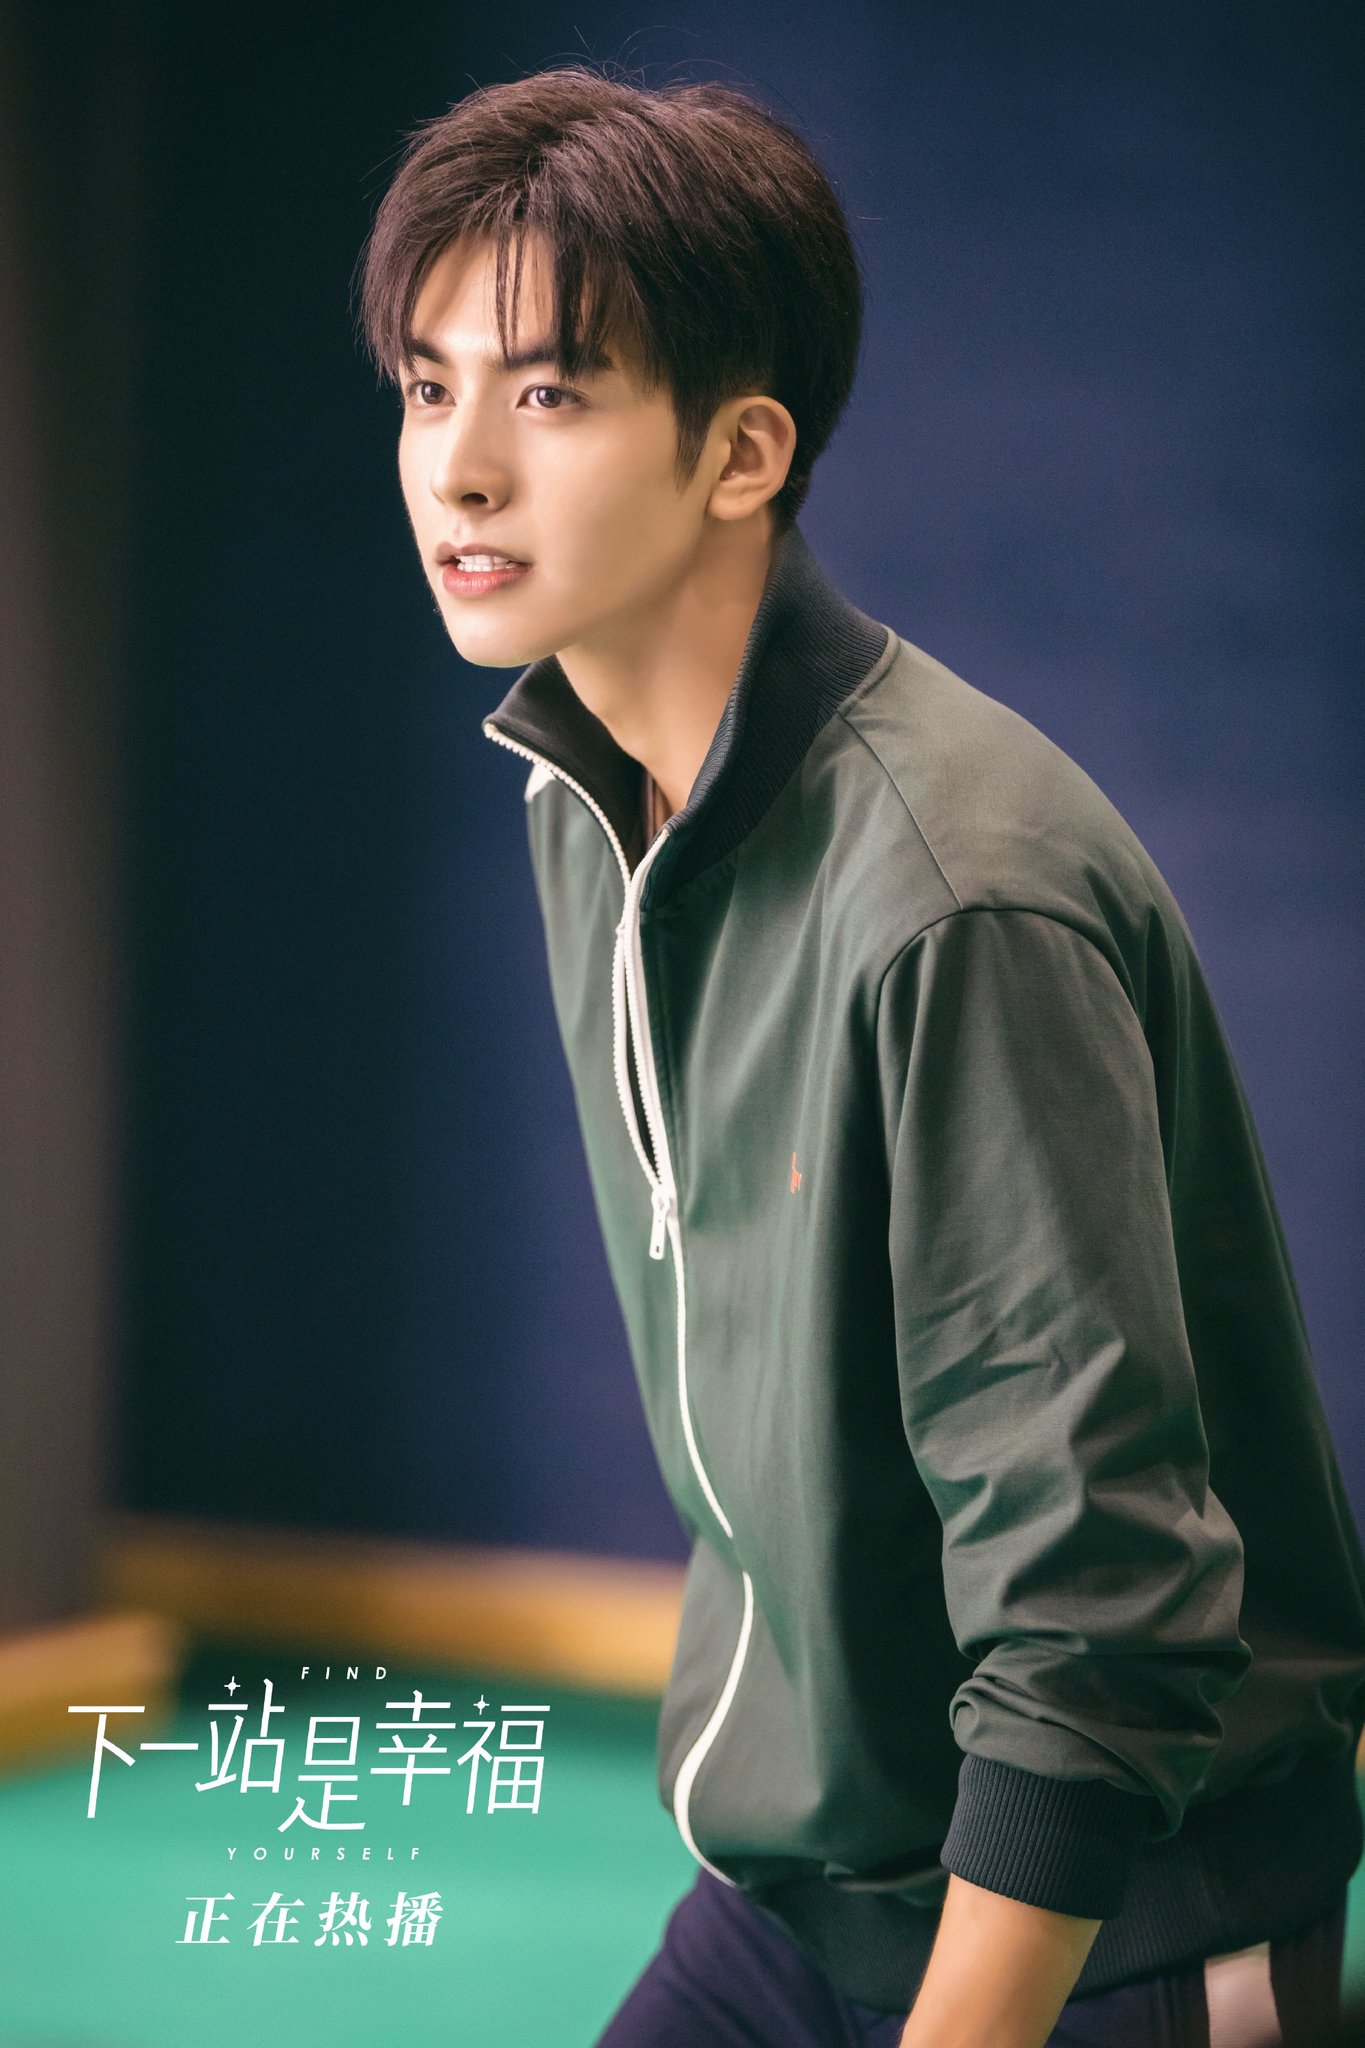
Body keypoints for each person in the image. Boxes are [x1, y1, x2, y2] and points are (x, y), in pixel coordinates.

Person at [355, 65, 1365, 2048]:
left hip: (1104, 1918)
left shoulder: (952, 895)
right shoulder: (585, 800)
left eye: (547, 394)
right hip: (806, 1890)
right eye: (424, 384)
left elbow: (1098, 1605)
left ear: (742, 452)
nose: (457, 468)